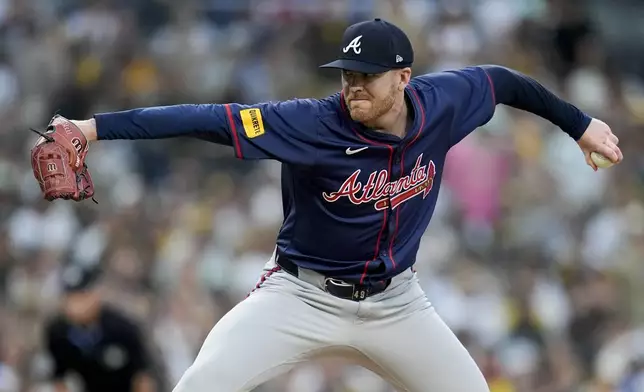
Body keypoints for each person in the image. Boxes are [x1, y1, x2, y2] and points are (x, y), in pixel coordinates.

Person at [31, 19, 622, 392]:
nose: (353, 87)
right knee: (203, 383)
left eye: (367, 76)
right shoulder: (311, 122)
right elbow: (206, 120)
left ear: (404, 78)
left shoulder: (444, 101)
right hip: (301, 296)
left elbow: (505, 81)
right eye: (346, 74)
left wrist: (579, 124)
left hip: (398, 305)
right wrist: (92, 128)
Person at [43, 265, 155, 392]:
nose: (75, 305)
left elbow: (142, 377)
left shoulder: (122, 329)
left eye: (81, 297)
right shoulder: (58, 333)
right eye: (70, 298)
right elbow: (59, 378)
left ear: (95, 295)